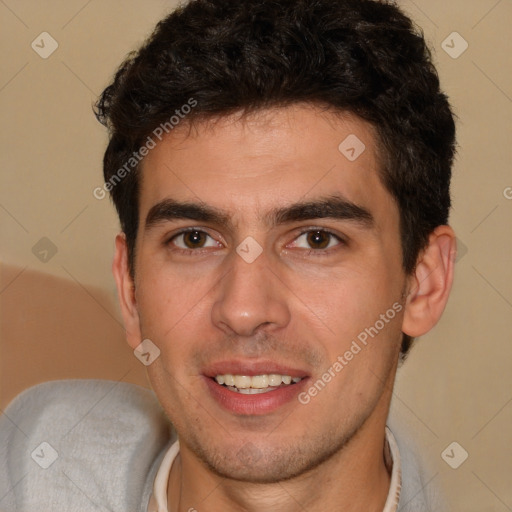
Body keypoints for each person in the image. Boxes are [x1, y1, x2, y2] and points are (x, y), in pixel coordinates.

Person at [0, 0, 457, 510]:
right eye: (194, 239)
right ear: (129, 290)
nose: (243, 310)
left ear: (424, 281)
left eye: (316, 239)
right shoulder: (33, 459)